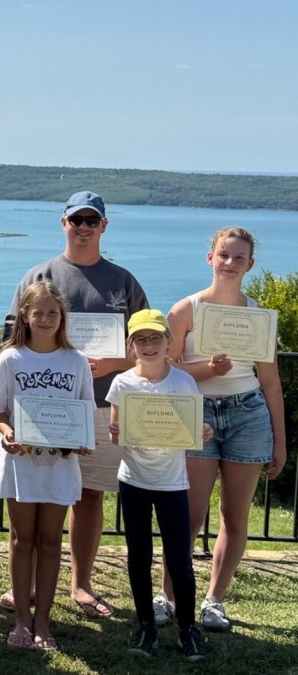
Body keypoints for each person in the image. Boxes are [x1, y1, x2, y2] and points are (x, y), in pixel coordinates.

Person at [4, 191, 148, 618]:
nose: (83, 227)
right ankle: (24, 586)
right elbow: (14, 337)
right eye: (76, 219)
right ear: (63, 222)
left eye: (92, 220)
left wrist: (115, 362)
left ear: (104, 226)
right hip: (38, 411)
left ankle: (81, 584)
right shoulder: (39, 274)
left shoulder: (123, 281)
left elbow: (149, 343)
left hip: (102, 405)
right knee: (33, 498)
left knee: (88, 498)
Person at [161, 227, 287, 631]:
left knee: (235, 516)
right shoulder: (186, 310)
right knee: (189, 516)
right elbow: (165, 372)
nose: (230, 263)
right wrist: (207, 369)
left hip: (248, 414)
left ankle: (214, 600)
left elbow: (270, 381)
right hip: (198, 416)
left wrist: (279, 441)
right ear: (209, 258)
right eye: (224, 255)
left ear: (250, 264)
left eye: (239, 257)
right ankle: (168, 596)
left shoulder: (257, 314)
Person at [0, 281, 94, 651]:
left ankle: (43, 623)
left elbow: (85, 410)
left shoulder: (76, 361)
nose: (46, 319)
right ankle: (20, 620)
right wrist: (6, 432)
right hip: (21, 462)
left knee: (50, 541)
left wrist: (82, 442)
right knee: (21, 539)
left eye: (53, 312)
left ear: (62, 316)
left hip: (61, 464)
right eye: (38, 312)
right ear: (25, 316)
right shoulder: (11, 357)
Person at [106, 309, 210, 661]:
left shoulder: (183, 382)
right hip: (133, 480)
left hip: (172, 483)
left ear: (169, 342)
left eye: (155, 338)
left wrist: (202, 432)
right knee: (138, 556)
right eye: (140, 339)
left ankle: (187, 628)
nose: (148, 345)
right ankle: (145, 625)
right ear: (131, 345)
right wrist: (116, 431)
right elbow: (116, 430)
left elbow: (193, 429)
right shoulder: (122, 383)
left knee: (179, 559)